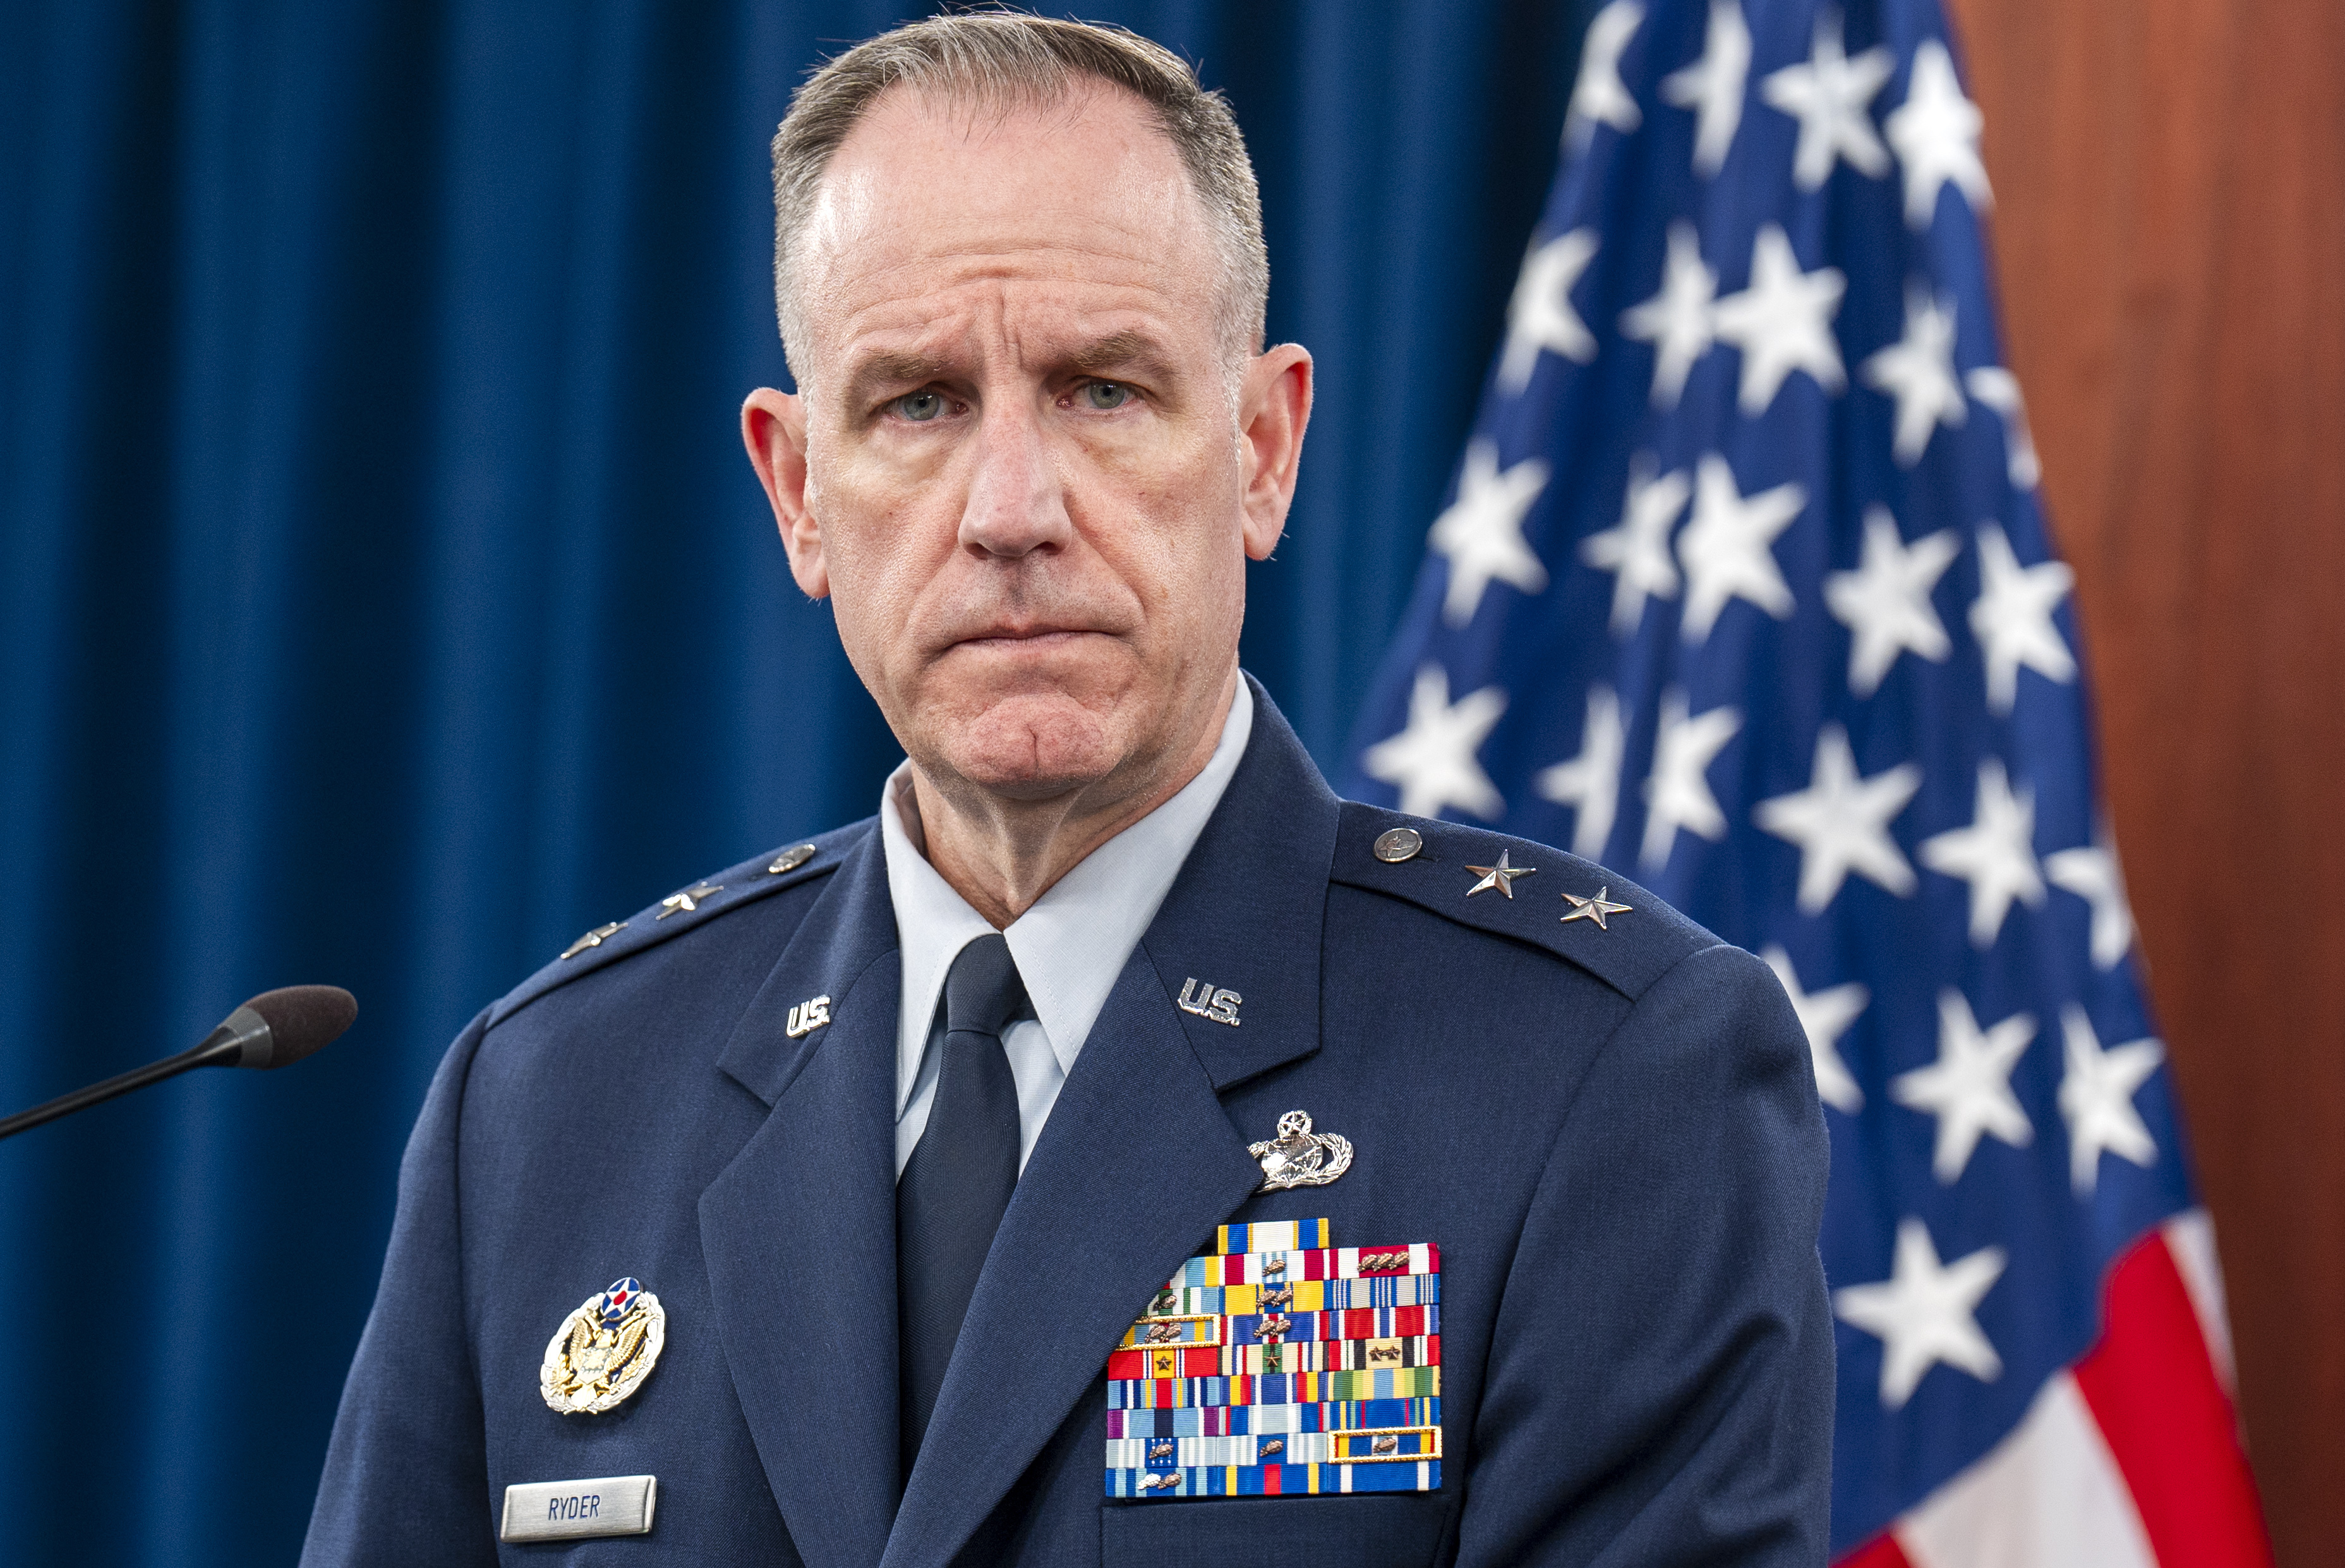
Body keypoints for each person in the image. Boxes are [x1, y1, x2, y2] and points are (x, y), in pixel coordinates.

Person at [302, 13, 1831, 1566]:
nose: (1010, 511)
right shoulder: (548, 1106)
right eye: (916, 403)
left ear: (1260, 448)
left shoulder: (1598, 1071)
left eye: (1102, 389)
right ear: (797, 490)